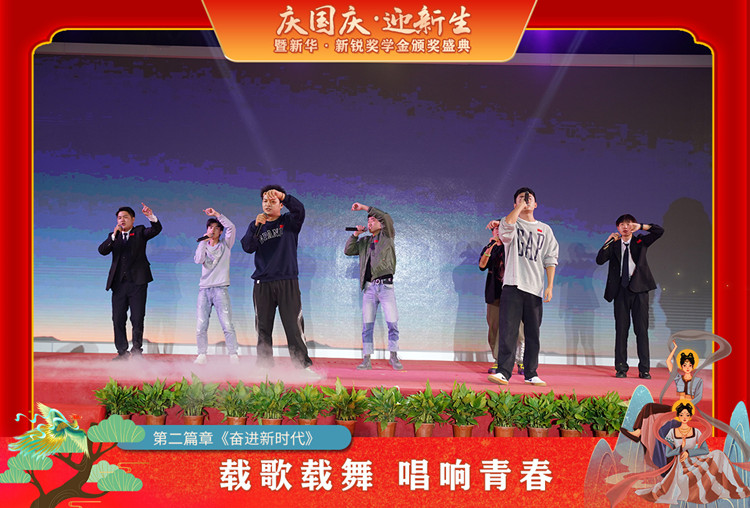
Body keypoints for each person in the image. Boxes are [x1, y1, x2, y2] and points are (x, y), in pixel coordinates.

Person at [608, 401, 750, 506]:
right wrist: (680, 449)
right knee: (682, 481)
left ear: (690, 416)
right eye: (681, 415)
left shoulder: (695, 431)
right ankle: (639, 432)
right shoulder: (672, 431)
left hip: (694, 460)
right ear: (678, 415)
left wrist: (688, 452)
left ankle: (732, 485)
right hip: (678, 464)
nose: (684, 417)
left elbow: (705, 450)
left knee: (718, 454)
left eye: (687, 415)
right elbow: (668, 452)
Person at [486, 187, 559, 387]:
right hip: (513, 285)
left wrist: (550, 286)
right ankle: (503, 372)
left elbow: (550, 258)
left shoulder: (545, 229)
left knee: (532, 334)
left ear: (536, 204)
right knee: (508, 332)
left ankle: (531, 373)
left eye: (529, 198)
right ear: (514, 203)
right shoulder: (509, 222)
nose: (526, 200)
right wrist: (519, 207)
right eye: (521, 198)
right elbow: (505, 231)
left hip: (535, 288)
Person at [241, 185, 315, 374]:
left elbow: (300, 210)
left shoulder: (289, 221)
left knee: (293, 326)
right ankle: (264, 367)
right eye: (265, 201)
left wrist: (284, 196)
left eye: (273, 201)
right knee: (263, 328)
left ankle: (301, 367)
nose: (268, 204)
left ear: (281, 204)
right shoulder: (256, 225)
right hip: (262, 283)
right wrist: (256, 227)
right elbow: (248, 247)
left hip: (287, 281)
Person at [596, 214, 664, 379]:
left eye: (628, 224)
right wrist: (608, 241)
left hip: (639, 290)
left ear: (632, 226)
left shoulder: (640, 241)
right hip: (620, 291)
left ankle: (644, 369)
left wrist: (641, 226)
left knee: (641, 330)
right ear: (617, 228)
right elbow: (599, 260)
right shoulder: (614, 245)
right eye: (621, 224)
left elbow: (659, 231)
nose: (625, 227)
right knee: (621, 330)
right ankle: (621, 368)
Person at [98, 203, 162, 360]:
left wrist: (150, 216)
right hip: (118, 285)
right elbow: (102, 250)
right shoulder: (113, 236)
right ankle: (122, 352)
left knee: (137, 318)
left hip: (138, 283)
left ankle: (137, 351)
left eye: (125, 217)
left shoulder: (139, 231)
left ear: (133, 219)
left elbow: (156, 229)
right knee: (118, 318)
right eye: (119, 218)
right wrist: (113, 236)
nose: (122, 220)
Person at [344, 202, 402, 370]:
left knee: (392, 323)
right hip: (369, 289)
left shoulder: (387, 235)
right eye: (368, 221)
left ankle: (393, 356)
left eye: (373, 220)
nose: (369, 223)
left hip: (386, 287)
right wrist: (355, 234)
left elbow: (385, 217)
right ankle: (366, 358)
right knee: (367, 325)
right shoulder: (364, 241)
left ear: (381, 224)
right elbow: (348, 250)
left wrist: (363, 207)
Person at [193, 208, 239, 365]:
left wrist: (217, 215)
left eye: (216, 228)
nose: (212, 230)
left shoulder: (226, 245)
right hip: (204, 290)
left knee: (227, 324)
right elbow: (198, 260)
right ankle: (201, 354)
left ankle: (233, 354)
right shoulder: (203, 245)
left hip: (220, 289)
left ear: (220, 231)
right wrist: (203, 242)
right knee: (201, 324)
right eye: (210, 227)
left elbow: (231, 227)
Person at [479, 224, 525, 375]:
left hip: (514, 293)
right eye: (495, 229)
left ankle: (521, 361)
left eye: (501, 229)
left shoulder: (513, 247)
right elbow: (482, 265)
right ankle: (498, 360)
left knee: (519, 329)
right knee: (494, 328)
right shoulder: (490, 248)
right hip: (494, 294)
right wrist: (491, 246)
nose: (498, 232)